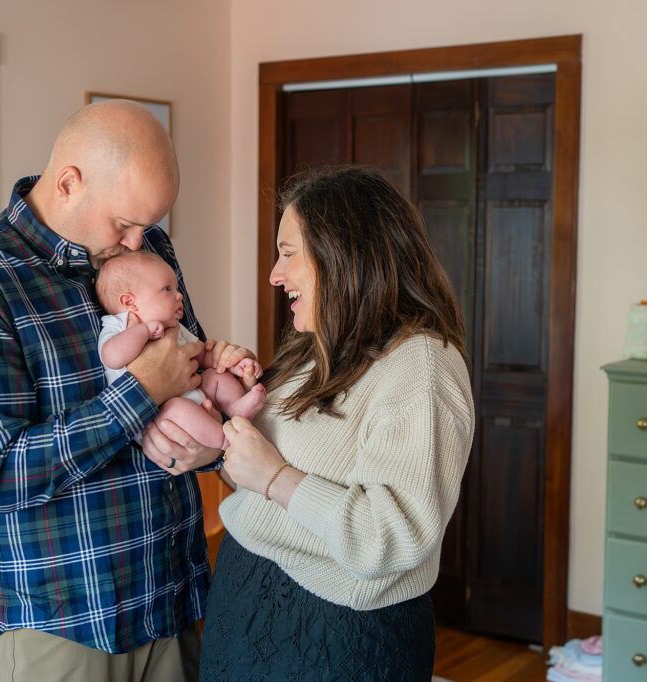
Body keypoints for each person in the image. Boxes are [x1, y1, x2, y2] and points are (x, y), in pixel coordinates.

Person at [0, 100, 245, 682]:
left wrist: (210, 443)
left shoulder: (148, 252)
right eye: (123, 223)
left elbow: (186, 372)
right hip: (66, 625)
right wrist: (141, 392)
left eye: (149, 225)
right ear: (69, 183)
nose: (137, 241)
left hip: (173, 596)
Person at [199, 166, 476, 681]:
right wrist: (229, 418)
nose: (274, 276)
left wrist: (277, 476)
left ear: (344, 252)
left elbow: (394, 536)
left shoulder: (421, 366)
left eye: (287, 253)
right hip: (246, 601)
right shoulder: (312, 350)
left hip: (338, 633)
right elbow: (254, 481)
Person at [96, 250, 266, 449]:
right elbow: (111, 356)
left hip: (193, 397)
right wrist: (143, 331)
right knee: (178, 408)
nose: (179, 295)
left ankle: (237, 407)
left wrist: (230, 363)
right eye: (167, 289)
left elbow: (199, 353)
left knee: (214, 377)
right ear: (129, 302)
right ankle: (225, 440)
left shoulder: (174, 327)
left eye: (176, 288)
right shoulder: (118, 325)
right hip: (157, 419)